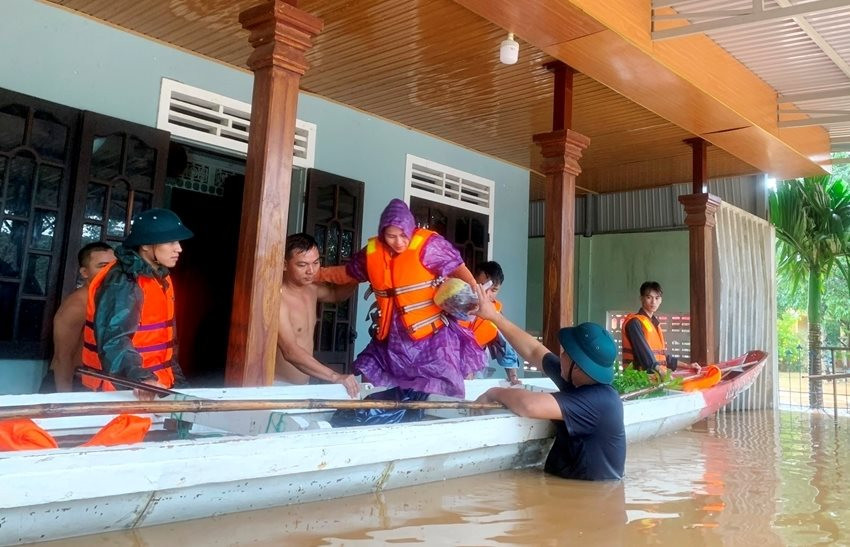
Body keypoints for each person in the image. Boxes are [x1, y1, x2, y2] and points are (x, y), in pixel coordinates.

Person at [319, 198, 484, 401]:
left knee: (436, 389)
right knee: (372, 375)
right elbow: (347, 273)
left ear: (411, 229)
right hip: (391, 337)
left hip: (431, 338)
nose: (398, 242)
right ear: (383, 234)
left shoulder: (429, 245)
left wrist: (475, 290)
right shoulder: (372, 253)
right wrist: (318, 274)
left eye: (403, 235)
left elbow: (457, 266)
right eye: (391, 236)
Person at [473, 284, 625, 481]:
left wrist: (494, 392)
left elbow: (529, 406)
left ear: (578, 366)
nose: (560, 356)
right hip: (571, 487)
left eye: (565, 353)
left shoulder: (600, 401)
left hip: (589, 494)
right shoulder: (578, 379)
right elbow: (534, 351)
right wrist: (494, 317)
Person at [81, 208, 192, 400]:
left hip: (154, 386)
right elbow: (114, 340)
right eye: (171, 242)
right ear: (146, 245)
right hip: (124, 391)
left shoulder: (159, 276)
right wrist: (141, 379)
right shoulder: (123, 280)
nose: (179, 248)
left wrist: (179, 384)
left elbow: (164, 345)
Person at [276, 233, 360, 398]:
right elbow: (290, 351)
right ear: (285, 265)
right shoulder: (278, 298)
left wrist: (357, 275)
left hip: (304, 386)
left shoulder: (311, 289)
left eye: (315, 263)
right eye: (302, 265)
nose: (311, 271)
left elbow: (336, 295)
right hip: (278, 387)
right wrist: (335, 376)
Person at [42, 242, 115, 392]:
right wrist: (66, 400)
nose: (110, 271)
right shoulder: (78, 304)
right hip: (68, 383)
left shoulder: (108, 298)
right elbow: (62, 358)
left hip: (94, 383)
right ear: (85, 272)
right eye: (102, 266)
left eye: (114, 266)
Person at [621, 281, 701, 377]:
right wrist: (663, 373)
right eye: (649, 297)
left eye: (657, 298)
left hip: (654, 379)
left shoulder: (654, 323)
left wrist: (687, 366)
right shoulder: (634, 323)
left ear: (661, 300)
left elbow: (661, 357)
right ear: (641, 298)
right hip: (639, 380)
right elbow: (644, 355)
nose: (653, 302)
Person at [460, 261, 521, 384]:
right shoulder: (453, 304)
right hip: (446, 370)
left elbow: (506, 347)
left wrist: (513, 378)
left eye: (493, 290)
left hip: (476, 375)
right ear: (472, 281)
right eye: (483, 286)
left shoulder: (496, 315)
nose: (487, 294)